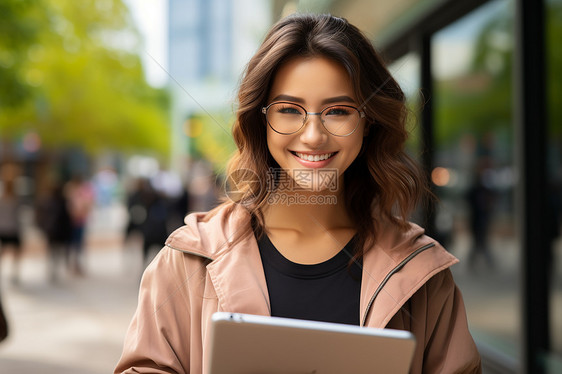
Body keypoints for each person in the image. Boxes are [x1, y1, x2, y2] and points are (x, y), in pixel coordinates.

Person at [115, 14, 481, 374]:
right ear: (261, 121)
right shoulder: (188, 259)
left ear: (368, 122)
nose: (313, 136)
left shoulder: (423, 273)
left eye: (338, 110)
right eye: (289, 110)